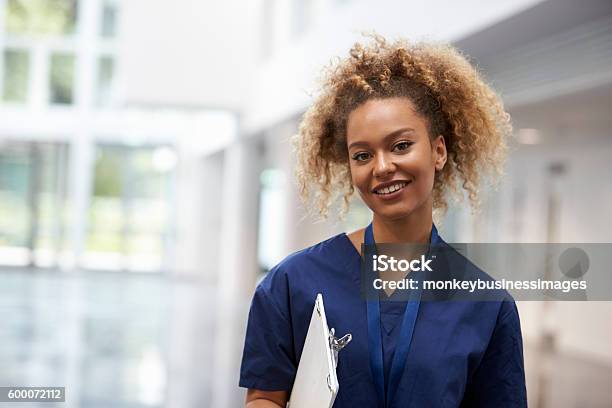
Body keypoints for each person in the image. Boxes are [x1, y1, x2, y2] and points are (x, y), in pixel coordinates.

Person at [239, 35, 527, 407]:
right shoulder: (293, 283)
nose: (382, 167)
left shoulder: (487, 305)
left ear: (438, 151)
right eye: (362, 155)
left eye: (401, 145)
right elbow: (264, 398)